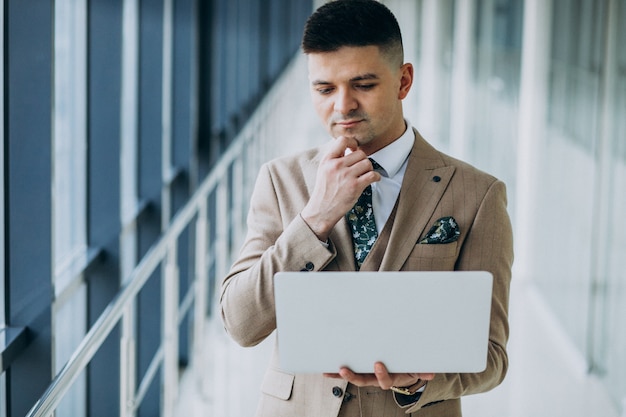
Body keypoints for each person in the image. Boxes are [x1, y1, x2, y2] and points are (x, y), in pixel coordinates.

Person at [220, 0, 514, 416]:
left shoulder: (478, 194)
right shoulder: (279, 180)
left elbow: (492, 356)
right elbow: (241, 324)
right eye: (325, 89)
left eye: (363, 84)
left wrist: (416, 384)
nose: (342, 106)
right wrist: (316, 218)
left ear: (403, 80)